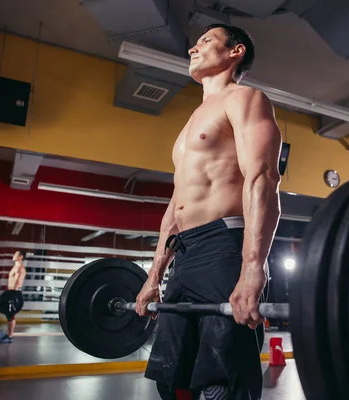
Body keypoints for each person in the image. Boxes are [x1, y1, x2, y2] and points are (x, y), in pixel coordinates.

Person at [135, 23, 282, 400]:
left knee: (222, 378)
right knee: (173, 375)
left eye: (206, 41)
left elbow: (262, 179)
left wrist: (253, 268)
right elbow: (176, 203)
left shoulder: (245, 99)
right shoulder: (191, 121)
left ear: (235, 52)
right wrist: (155, 274)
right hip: (185, 253)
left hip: (224, 246)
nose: (192, 49)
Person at [0, 250, 27, 344]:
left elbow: (17, 282)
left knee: (10, 315)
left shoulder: (20, 267)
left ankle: (10, 337)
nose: (14, 255)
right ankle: (9, 335)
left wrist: (12, 295)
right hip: (11, 292)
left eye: (16, 254)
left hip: (14, 293)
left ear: (21, 257)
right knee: (9, 315)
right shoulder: (16, 266)